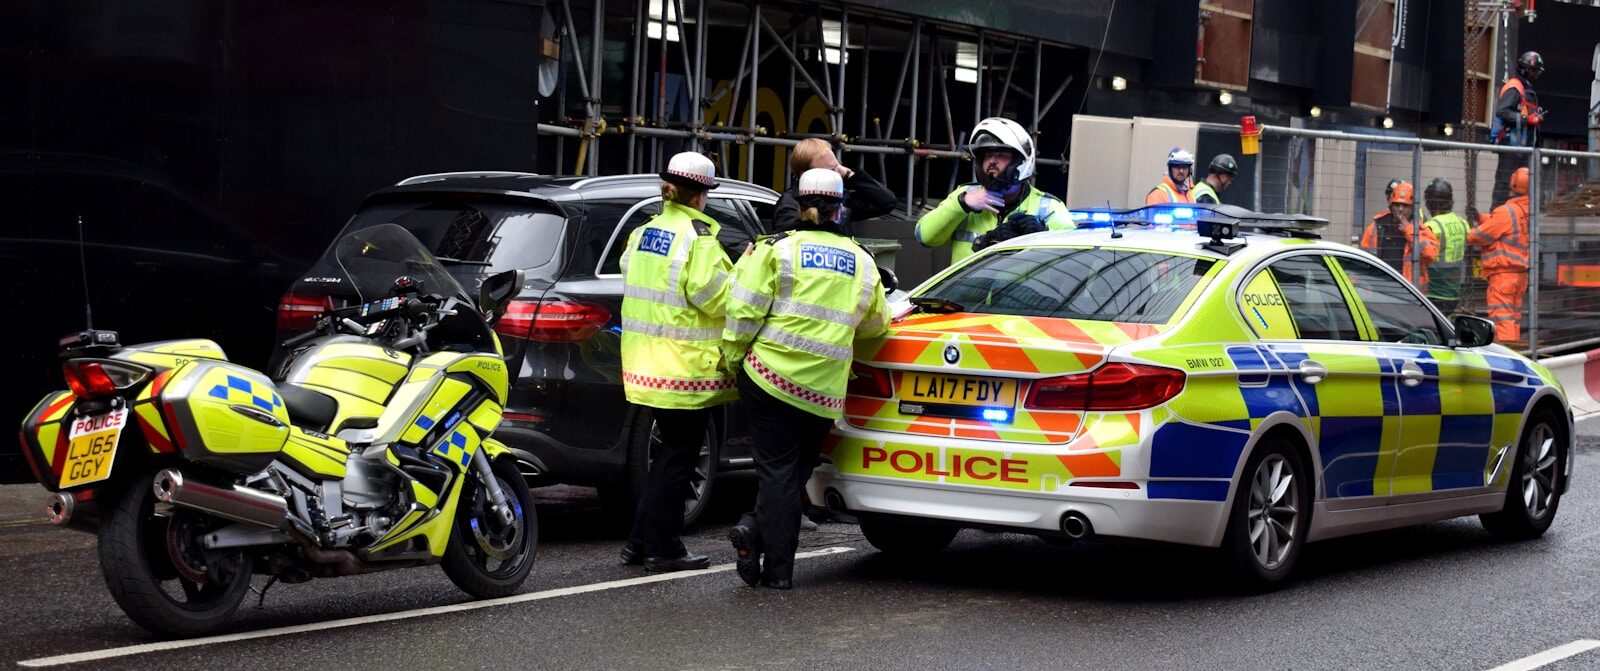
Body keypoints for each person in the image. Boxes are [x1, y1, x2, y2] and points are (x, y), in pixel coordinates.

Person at [724, 168, 891, 589]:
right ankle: (756, 535)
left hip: (768, 378)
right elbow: (875, 325)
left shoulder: (775, 250)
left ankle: (777, 571)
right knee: (793, 474)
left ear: (799, 206)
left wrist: (732, 360)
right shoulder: (862, 261)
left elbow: (743, 311)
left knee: (777, 474)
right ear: (840, 210)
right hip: (822, 392)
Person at [617, 152, 737, 573]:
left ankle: (639, 543)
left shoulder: (645, 232)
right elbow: (715, 296)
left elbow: (632, 275)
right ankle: (663, 547)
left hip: (646, 364)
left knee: (670, 454)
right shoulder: (699, 237)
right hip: (683, 367)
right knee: (678, 458)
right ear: (701, 195)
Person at [915, 117, 1072, 263]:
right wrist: (961, 205)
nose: (991, 161)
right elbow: (924, 236)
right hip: (965, 293)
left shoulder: (1048, 207)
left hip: (1021, 294)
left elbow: (1073, 261)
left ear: (1021, 161)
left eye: (1001, 155)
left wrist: (1043, 238)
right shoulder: (964, 195)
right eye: (988, 155)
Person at [774, 138, 896, 234]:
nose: (838, 175)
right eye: (831, 170)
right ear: (806, 174)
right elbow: (787, 243)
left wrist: (849, 174)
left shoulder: (838, 197)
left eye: (838, 167)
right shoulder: (789, 203)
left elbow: (886, 202)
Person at [1469, 167, 1532, 342]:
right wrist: (1481, 218)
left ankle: (1508, 354)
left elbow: (1481, 235)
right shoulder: (1526, 211)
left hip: (1503, 275)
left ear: (1512, 184)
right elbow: (1500, 224)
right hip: (1519, 275)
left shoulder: (1506, 211)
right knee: (1513, 318)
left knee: (1502, 319)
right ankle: (1516, 348)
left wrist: (1470, 233)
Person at [1359, 181, 1438, 288]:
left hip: (1409, 292)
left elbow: (1431, 255)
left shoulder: (1419, 229)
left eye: (1405, 205)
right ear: (1391, 205)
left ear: (1412, 208)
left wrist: (1409, 231)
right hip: (1380, 288)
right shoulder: (1376, 227)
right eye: (1397, 204)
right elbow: (1362, 261)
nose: (1400, 209)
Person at [1490, 51, 1544, 206]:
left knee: (1521, 187)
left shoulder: (1525, 88)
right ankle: (1496, 218)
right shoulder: (1515, 87)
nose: (1537, 75)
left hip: (1521, 149)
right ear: (1527, 69)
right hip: (1511, 148)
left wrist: (1534, 116)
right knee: (1504, 185)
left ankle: (1516, 219)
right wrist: (1528, 119)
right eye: (1536, 71)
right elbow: (1503, 111)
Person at [1421, 178, 1471, 314]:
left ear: (1430, 202)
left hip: (1433, 293)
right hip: (1454, 292)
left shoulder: (1432, 226)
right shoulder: (1463, 224)